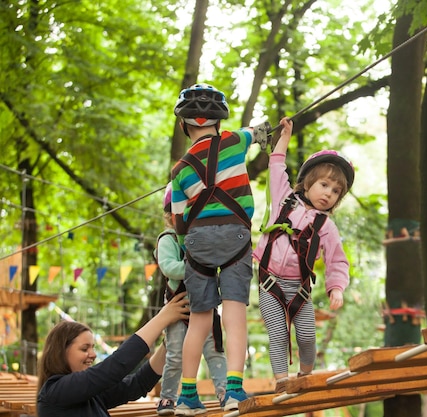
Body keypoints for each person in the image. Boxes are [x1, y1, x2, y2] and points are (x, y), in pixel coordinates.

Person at [170, 83, 270, 414]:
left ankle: (186, 397)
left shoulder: (179, 170)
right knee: (234, 314)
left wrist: (189, 255)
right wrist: (270, 131)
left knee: (199, 320)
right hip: (234, 237)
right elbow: (256, 132)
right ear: (218, 122)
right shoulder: (234, 141)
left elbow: (178, 221)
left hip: (197, 241)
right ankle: (233, 392)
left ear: (185, 126)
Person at [252, 117, 354, 392]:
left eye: (336, 192)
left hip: (299, 288)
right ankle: (282, 381)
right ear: (308, 183)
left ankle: (305, 375)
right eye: (324, 185)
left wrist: (336, 288)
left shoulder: (327, 227)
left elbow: (337, 260)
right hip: (269, 282)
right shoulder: (284, 200)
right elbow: (276, 166)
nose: (329, 194)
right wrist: (284, 137)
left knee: (307, 336)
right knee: (278, 334)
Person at [36, 292, 189, 417]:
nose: (93, 354)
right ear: (61, 352)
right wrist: (163, 318)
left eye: (93, 348)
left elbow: (137, 384)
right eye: (84, 349)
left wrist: (169, 343)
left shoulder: (90, 395)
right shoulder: (54, 391)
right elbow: (115, 367)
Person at [155, 182, 227, 416]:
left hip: (205, 305)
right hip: (181, 308)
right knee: (176, 353)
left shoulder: (204, 240)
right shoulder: (168, 239)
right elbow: (168, 267)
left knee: (214, 350)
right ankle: (168, 398)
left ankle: (224, 392)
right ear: (170, 216)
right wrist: (195, 266)